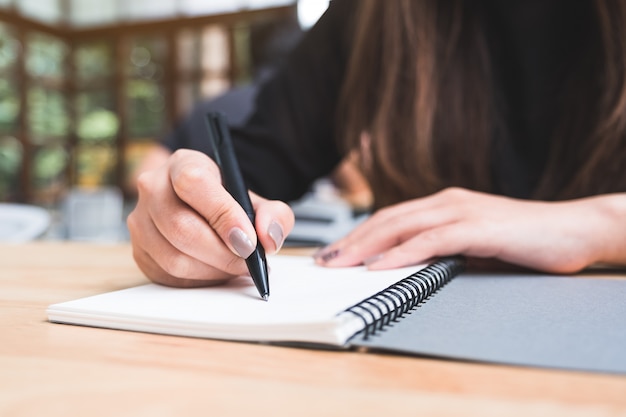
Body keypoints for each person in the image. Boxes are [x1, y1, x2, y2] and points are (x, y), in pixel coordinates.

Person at [127, 0, 626, 288]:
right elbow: (252, 166)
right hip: (406, 350)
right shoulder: (373, 15)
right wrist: (189, 211)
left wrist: (603, 225)